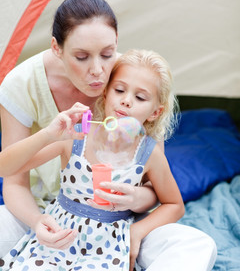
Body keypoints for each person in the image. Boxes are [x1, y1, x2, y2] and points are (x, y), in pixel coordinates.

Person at [0, 0, 217, 270]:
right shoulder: (34, 95)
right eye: (81, 56)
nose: (99, 71)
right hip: (47, 216)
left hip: (118, 229)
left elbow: (157, 185)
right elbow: (10, 174)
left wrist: (137, 203)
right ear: (57, 48)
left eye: (107, 54)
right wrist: (37, 222)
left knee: (198, 245)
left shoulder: (131, 75)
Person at [0, 49, 185, 270]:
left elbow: (174, 205)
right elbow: (6, 167)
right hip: (58, 237)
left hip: (107, 246)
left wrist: (136, 231)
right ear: (106, 94)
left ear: (156, 112)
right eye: (119, 90)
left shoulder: (149, 153)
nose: (126, 101)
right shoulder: (76, 136)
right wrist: (48, 134)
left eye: (140, 97)